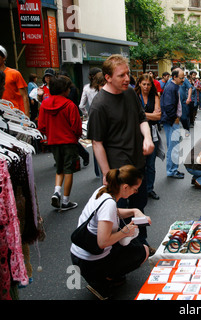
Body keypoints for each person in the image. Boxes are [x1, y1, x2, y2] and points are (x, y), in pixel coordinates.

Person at [87, 54, 154, 246]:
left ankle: (140, 243)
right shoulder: (99, 105)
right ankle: (119, 250)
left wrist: (147, 138)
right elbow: (97, 142)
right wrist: (106, 173)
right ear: (108, 77)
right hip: (118, 169)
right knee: (117, 212)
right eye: (121, 75)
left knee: (139, 205)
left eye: (128, 73)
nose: (127, 79)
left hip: (137, 163)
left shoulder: (130, 93)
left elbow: (142, 118)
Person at [70, 165, 152, 300]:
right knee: (143, 251)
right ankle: (102, 279)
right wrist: (125, 232)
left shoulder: (103, 191)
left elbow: (112, 214)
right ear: (125, 187)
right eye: (135, 189)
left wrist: (134, 211)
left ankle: (105, 276)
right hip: (90, 261)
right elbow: (103, 242)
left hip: (79, 253)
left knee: (134, 245)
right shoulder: (109, 204)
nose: (136, 192)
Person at [38, 75, 82, 211]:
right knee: (69, 170)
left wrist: (49, 133)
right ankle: (65, 200)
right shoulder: (69, 105)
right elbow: (76, 127)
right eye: (68, 88)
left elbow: (41, 125)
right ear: (64, 89)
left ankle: (56, 191)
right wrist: (76, 137)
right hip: (68, 141)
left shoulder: (44, 104)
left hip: (53, 140)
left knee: (59, 169)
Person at [135, 73, 163, 200]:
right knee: (140, 163)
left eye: (148, 84)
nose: (146, 87)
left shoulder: (155, 96)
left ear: (152, 85)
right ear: (139, 84)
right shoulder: (135, 96)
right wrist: (149, 115)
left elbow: (158, 117)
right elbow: (132, 115)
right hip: (137, 133)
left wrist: (140, 115)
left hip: (152, 132)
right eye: (144, 84)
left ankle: (149, 189)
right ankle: (138, 188)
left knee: (151, 164)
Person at [160, 67, 185, 179]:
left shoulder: (173, 86)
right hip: (171, 121)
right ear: (174, 77)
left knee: (175, 146)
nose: (183, 80)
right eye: (181, 77)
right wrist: (174, 117)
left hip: (173, 120)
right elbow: (168, 105)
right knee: (173, 147)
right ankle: (171, 170)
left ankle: (173, 169)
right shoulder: (171, 88)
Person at [0, 45, 30, 117]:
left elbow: (24, 96)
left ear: (4, 58)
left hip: (14, 113)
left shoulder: (14, 73)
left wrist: (26, 116)